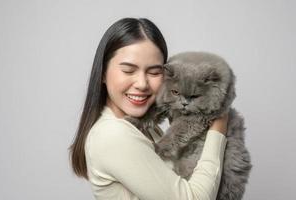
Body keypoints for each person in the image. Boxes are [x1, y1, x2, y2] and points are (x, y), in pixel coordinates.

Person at [69, 17, 228, 200]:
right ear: (103, 73)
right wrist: (218, 127)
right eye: (129, 70)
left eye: (154, 72)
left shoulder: (142, 125)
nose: (142, 84)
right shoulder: (114, 134)